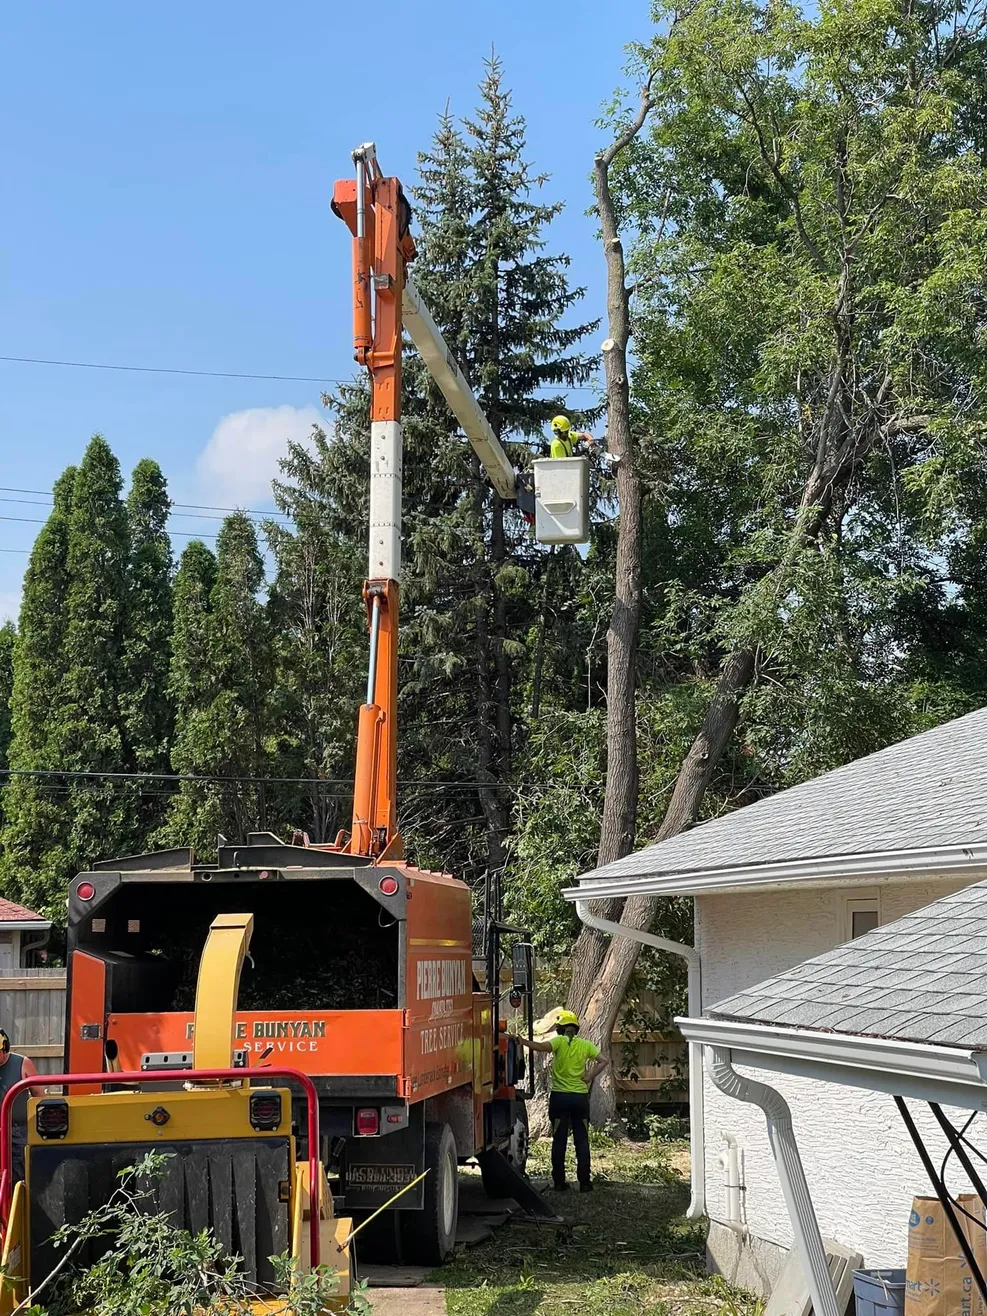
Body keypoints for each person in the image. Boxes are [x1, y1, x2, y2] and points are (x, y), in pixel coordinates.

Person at [516, 1009, 607, 1192]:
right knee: (582, 1140)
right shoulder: (586, 1045)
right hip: (580, 1099)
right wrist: (589, 1077)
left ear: (560, 1029)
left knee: (559, 1140)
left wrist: (523, 1041)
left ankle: (559, 1182)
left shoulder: (558, 1042)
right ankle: (585, 1183)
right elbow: (603, 1060)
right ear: (576, 1028)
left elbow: (541, 1047)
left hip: (560, 1098)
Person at [0, 1029, 36, 1183]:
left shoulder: (23, 1063)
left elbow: (39, 1095)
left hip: (18, 1129)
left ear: (4, 1047)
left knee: (19, 1171)